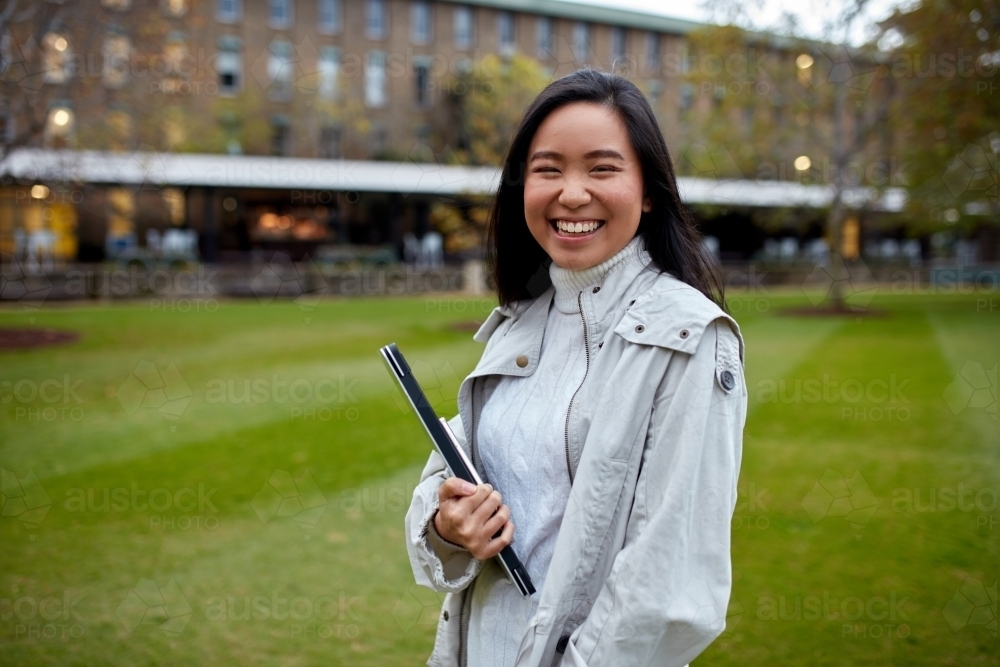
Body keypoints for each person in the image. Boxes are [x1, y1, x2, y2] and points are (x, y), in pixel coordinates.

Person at [404, 69, 747, 667]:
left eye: (602, 168)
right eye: (548, 169)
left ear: (648, 190)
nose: (571, 193)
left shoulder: (691, 337)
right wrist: (448, 525)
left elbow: (669, 587)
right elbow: (443, 481)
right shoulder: (517, 321)